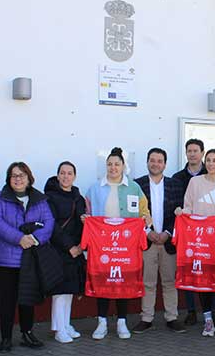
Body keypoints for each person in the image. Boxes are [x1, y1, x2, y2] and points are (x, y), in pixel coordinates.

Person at [84, 147, 150, 340]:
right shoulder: (94, 188)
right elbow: (88, 212)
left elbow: (144, 212)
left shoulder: (134, 188)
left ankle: (122, 322)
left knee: (124, 282)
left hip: (125, 246)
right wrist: (86, 219)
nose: (113, 168)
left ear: (123, 166)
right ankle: (102, 322)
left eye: (117, 164)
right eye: (109, 164)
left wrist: (146, 220)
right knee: (102, 282)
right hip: (102, 246)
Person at [0, 161, 55, 352]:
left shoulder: (40, 200)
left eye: (22, 175)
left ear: (29, 178)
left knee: (27, 297)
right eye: (14, 175)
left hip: (29, 257)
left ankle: (27, 333)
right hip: (4, 258)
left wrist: (34, 239)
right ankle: (6, 337)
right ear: (9, 179)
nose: (18, 179)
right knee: (7, 299)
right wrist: (19, 239)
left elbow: (49, 223)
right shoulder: (0, 198)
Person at [178, 148, 215, 336]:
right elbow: (188, 206)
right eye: (209, 160)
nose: (211, 163)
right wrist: (182, 213)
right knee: (201, 280)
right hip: (198, 242)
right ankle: (208, 320)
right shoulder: (195, 182)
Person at [133, 148, 186, 334]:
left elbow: (179, 214)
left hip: (167, 241)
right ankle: (146, 318)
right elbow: (134, 214)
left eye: (159, 161)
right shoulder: (136, 185)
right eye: (152, 160)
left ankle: (172, 317)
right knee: (147, 282)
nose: (155, 164)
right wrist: (147, 232)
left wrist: (167, 232)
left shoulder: (176, 185)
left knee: (170, 281)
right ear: (147, 162)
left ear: (165, 164)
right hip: (146, 240)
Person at [44, 161, 86, 344]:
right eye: (62, 173)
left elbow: (83, 223)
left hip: (76, 251)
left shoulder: (79, 197)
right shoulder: (50, 197)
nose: (66, 176)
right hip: (59, 250)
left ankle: (65, 324)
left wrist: (80, 246)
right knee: (60, 292)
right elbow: (52, 226)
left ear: (74, 176)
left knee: (69, 290)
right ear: (57, 175)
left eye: (69, 173)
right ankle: (59, 329)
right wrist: (69, 247)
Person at [172, 138, 205, 325]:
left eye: (195, 151)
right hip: (187, 233)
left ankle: (211, 309)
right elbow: (175, 203)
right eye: (189, 151)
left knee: (208, 269)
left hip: (207, 233)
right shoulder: (178, 178)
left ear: (202, 153)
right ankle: (191, 310)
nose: (192, 154)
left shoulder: (211, 174)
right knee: (188, 271)